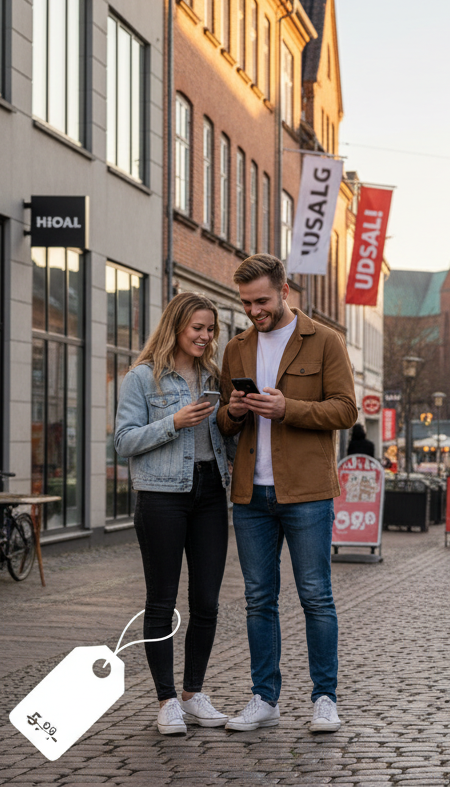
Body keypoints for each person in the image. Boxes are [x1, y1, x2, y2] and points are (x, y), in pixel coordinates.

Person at [216, 255, 358, 734]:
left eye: (262, 301)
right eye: (246, 303)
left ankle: (325, 698)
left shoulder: (325, 341)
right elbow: (222, 419)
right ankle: (265, 698)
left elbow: (345, 410)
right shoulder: (236, 348)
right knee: (259, 600)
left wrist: (287, 408)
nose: (254, 310)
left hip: (308, 492)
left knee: (316, 597)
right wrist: (234, 410)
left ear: (284, 292)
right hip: (250, 494)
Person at [114, 293, 234, 736]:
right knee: (161, 601)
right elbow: (124, 441)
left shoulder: (215, 378)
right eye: (197, 328)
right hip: (161, 495)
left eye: (210, 329)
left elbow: (226, 438)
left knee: (206, 602)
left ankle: (193, 693)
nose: (204, 336)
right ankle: (165, 700)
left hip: (209, 493)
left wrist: (235, 417)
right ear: (176, 327)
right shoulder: (143, 378)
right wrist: (174, 423)